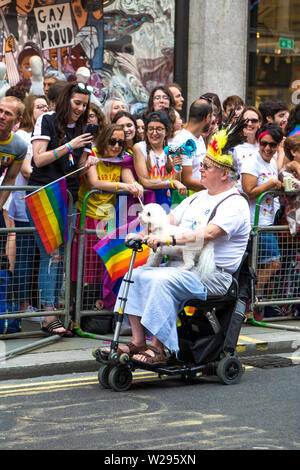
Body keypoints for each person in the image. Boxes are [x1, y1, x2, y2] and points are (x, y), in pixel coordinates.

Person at [112, 130, 250, 361]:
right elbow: (166, 221)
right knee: (134, 275)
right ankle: (138, 341)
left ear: (225, 173)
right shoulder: (197, 197)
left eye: (207, 166)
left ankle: (158, 348)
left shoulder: (235, 203)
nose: (201, 169)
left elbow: (207, 234)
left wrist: (167, 240)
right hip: (182, 266)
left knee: (162, 281)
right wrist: (140, 234)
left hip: (214, 275)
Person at [28, 82, 96, 335]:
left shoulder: (85, 127)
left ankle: (56, 312)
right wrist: (71, 145)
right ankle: (48, 315)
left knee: (62, 257)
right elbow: (39, 159)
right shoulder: (46, 119)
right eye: (77, 103)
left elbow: (77, 166)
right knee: (52, 255)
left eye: (84, 105)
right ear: (67, 100)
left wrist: (88, 161)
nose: (80, 109)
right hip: (44, 193)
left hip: (69, 195)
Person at [71, 124, 143, 308]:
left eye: (121, 142)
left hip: (106, 220)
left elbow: (131, 181)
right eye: (113, 141)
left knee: (101, 266)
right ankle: (75, 308)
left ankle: (95, 308)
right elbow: (94, 182)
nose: (117, 146)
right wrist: (124, 187)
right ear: (104, 139)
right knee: (82, 266)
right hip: (87, 216)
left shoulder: (122, 159)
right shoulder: (93, 155)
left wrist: (136, 186)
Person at [8, 94, 49, 314]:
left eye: (46, 106)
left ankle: (35, 305)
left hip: (43, 205)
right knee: (25, 257)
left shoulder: (44, 134)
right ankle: (23, 306)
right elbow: (26, 170)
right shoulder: (23, 135)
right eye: (39, 106)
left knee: (39, 258)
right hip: (25, 205)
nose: (44, 109)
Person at [241, 122, 284, 299]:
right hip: (254, 223)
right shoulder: (252, 162)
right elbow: (248, 192)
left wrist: (277, 190)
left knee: (253, 266)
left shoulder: (272, 162)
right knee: (274, 263)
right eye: (263, 143)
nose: (267, 147)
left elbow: (266, 193)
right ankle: (250, 300)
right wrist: (271, 184)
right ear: (258, 142)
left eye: (272, 144)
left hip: (266, 221)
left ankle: (246, 302)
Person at [133, 111, 186, 210]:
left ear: (166, 131)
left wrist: (178, 169)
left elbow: (177, 182)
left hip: (170, 202)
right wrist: (171, 183)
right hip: (149, 203)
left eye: (159, 129)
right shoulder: (139, 148)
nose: (154, 133)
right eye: (151, 129)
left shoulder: (172, 149)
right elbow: (146, 182)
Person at [0, 96, 27, 256]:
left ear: (18, 119)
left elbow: (10, 179)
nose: (2, 116)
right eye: (0, 111)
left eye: (8, 113)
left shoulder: (19, 146)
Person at [171, 99, 212, 194]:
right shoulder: (183, 140)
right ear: (207, 117)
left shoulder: (199, 137)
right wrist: (215, 186)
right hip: (189, 200)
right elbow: (187, 181)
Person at [233, 106, 263, 189]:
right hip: (241, 196)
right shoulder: (234, 147)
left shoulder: (265, 145)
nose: (249, 124)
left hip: (264, 198)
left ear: (259, 123)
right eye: (246, 120)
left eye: (254, 121)